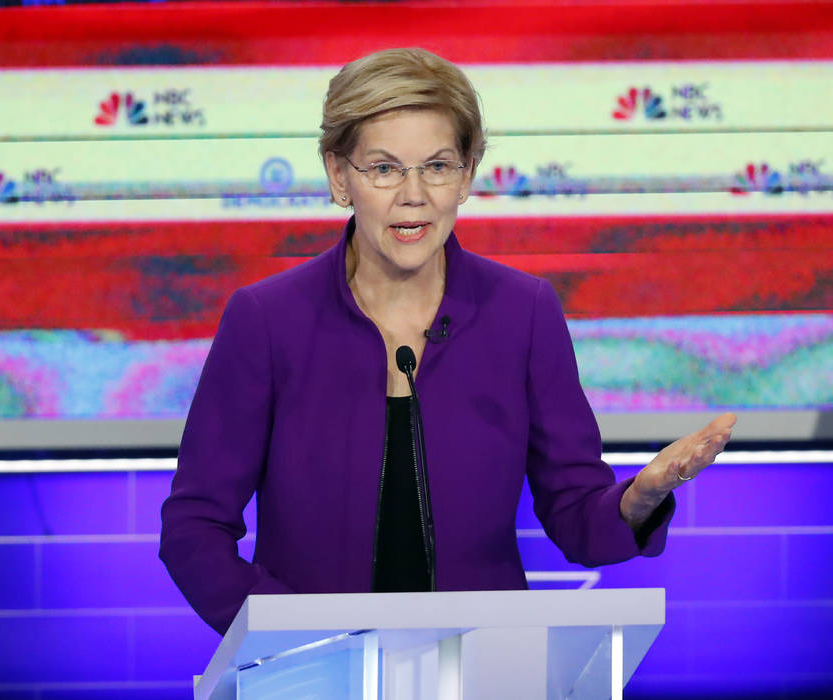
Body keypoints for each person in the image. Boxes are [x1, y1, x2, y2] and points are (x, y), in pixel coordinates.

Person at [159, 47, 736, 635]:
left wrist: (640, 496)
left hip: (483, 667)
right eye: (384, 168)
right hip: (311, 674)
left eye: (437, 166)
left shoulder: (523, 312)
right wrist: (288, 635)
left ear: (467, 174)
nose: (414, 195)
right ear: (339, 176)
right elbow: (193, 529)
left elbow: (575, 516)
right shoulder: (266, 319)